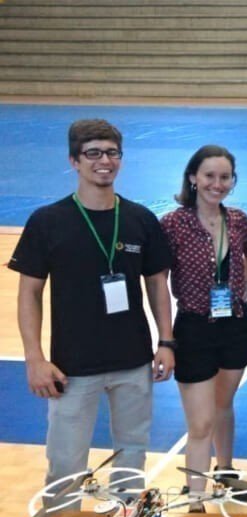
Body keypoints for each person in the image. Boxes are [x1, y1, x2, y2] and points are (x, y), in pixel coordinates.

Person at [9, 119, 175, 491]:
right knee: (65, 467)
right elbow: (29, 294)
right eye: (93, 153)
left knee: (132, 459)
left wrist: (166, 340)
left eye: (112, 152)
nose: (105, 161)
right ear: (74, 160)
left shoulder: (139, 219)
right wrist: (34, 358)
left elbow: (156, 284)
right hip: (72, 367)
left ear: (121, 158)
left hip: (133, 362)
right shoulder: (48, 222)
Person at [160, 145, 247, 511]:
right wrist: (166, 338)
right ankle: (197, 501)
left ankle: (226, 471)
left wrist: (245, 285)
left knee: (224, 405)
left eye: (225, 177)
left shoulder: (239, 221)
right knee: (200, 422)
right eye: (209, 176)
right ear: (193, 178)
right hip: (194, 329)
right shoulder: (173, 223)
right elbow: (158, 281)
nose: (217, 184)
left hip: (234, 325)